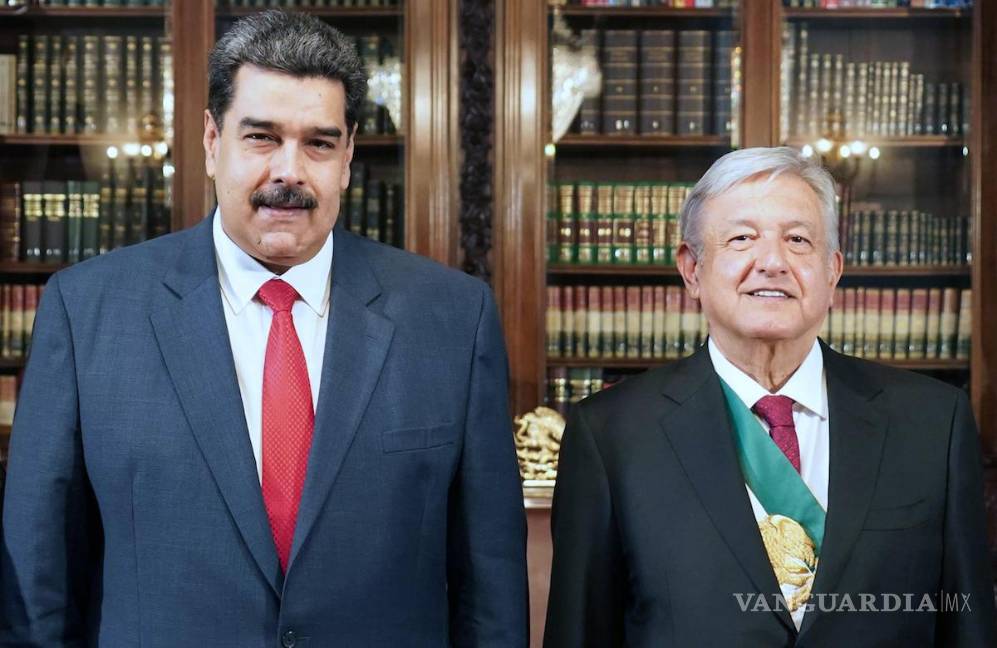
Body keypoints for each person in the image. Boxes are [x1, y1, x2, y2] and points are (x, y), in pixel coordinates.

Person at [1, 11, 527, 646]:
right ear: (211, 140)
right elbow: (37, 581)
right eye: (261, 137)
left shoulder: (451, 319)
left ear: (348, 156)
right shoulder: (88, 312)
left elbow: (490, 590)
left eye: (319, 143)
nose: (289, 172)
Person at [543, 147, 994, 646]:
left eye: (798, 240)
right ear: (692, 269)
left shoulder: (933, 423)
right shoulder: (611, 435)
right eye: (742, 238)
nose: (774, 262)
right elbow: (580, 631)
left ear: (832, 272)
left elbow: (968, 624)